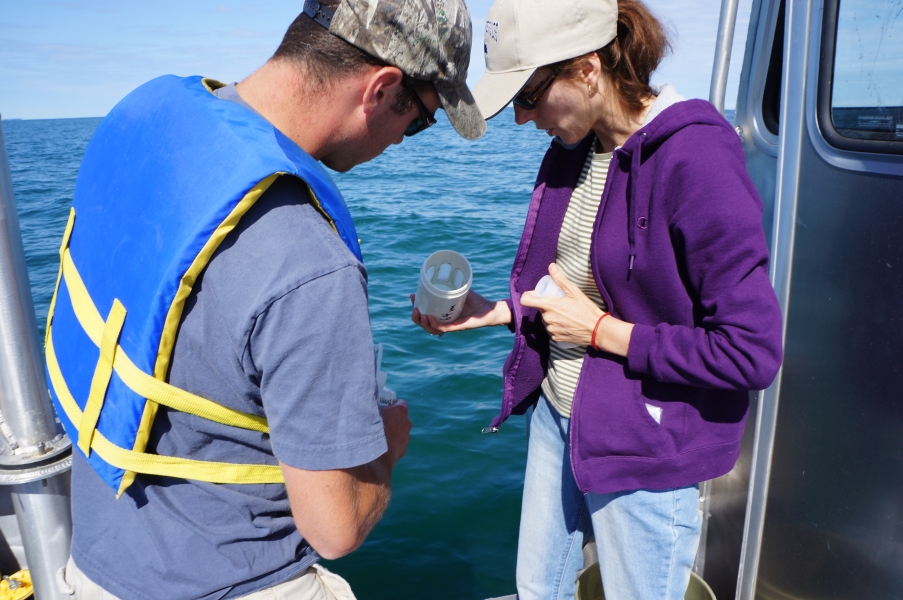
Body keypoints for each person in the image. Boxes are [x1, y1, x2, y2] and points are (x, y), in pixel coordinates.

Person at [46, 1, 484, 599]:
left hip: (92, 566)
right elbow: (336, 527)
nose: (405, 142)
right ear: (382, 89)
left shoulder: (144, 113)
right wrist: (386, 448)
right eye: (420, 123)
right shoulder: (309, 262)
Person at [412, 0, 783, 598]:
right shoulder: (574, 150)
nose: (522, 119)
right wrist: (501, 311)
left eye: (529, 96)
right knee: (538, 591)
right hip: (559, 418)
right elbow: (580, 295)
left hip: (646, 448)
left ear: (587, 68)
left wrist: (603, 333)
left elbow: (751, 352)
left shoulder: (696, 157)